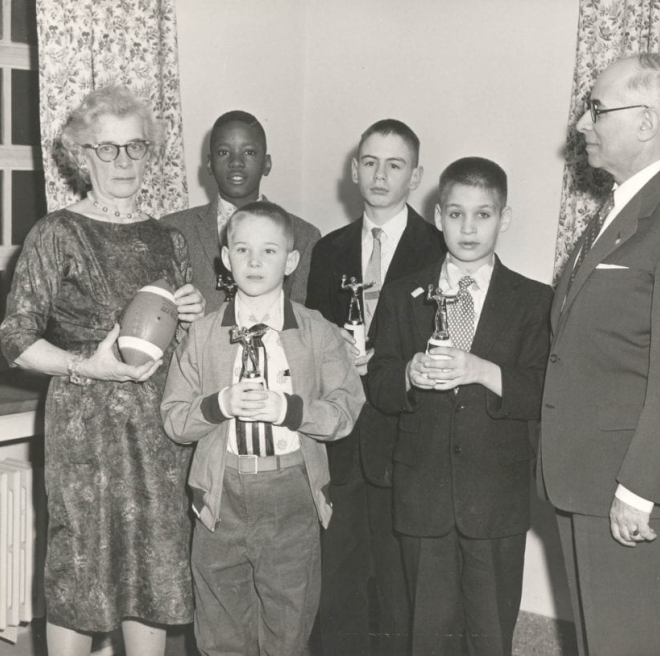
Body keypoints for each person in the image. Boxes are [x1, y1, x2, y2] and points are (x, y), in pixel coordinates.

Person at [538, 53, 660, 656]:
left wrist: (638, 490)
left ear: (647, 122)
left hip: (629, 490)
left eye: (597, 108)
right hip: (587, 477)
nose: (581, 123)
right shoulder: (621, 208)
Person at [0, 85, 205, 656]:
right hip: (84, 425)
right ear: (81, 155)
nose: (122, 162)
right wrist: (87, 366)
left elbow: (176, 345)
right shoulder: (56, 233)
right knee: (81, 570)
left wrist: (190, 317)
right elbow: (15, 339)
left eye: (134, 148)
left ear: (150, 155)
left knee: (153, 566)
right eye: (106, 149)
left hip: (158, 431)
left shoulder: (168, 239)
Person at [161, 201, 365, 655]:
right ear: (225, 258)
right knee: (219, 625)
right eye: (243, 250)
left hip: (290, 490)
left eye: (269, 251)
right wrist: (218, 405)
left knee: (288, 623)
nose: (254, 262)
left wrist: (289, 410)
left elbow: (345, 410)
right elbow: (174, 418)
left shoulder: (316, 331)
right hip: (221, 493)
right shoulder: (204, 334)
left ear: (291, 261)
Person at [368, 157, 552, 655]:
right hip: (423, 491)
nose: (468, 228)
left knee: (491, 635)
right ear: (438, 213)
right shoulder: (404, 293)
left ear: (504, 218)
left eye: (483, 215)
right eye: (455, 214)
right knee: (427, 633)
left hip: (496, 498)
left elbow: (544, 393)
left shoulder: (536, 301)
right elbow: (378, 382)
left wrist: (481, 371)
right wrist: (407, 373)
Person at [305, 119, 445, 654]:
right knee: (336, 578)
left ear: (416, 176)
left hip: (405, 437)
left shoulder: (439, 248)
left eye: (395, 164)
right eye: (369, 162)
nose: (380, 174)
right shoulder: (330, 249)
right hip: (341, 437)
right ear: (353, 169)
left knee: (399, 583)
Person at [163, 110, 320, 311]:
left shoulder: (304, 236)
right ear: (210, 164)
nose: (236, 162)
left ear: (267, 164)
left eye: (249, 152)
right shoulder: (174, 229)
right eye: (223, 152)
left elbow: (303, 320)